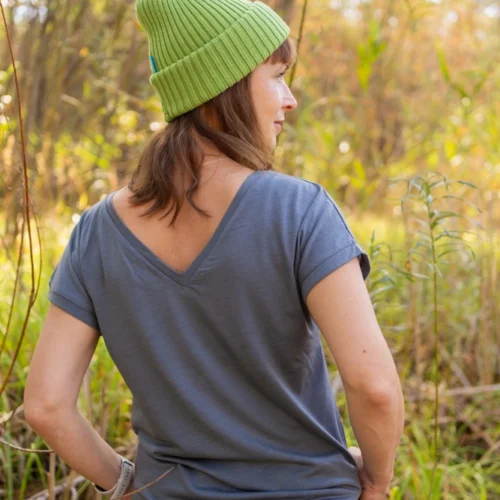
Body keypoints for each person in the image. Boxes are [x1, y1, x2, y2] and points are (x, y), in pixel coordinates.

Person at [24, 0, 405, 498]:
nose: (290, 99)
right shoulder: (299, 210)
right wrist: (376, 481)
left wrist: (126, 483)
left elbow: (46, 405)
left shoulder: (96, 232)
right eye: (276, 77)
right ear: (224, 86)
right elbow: (375, 388)